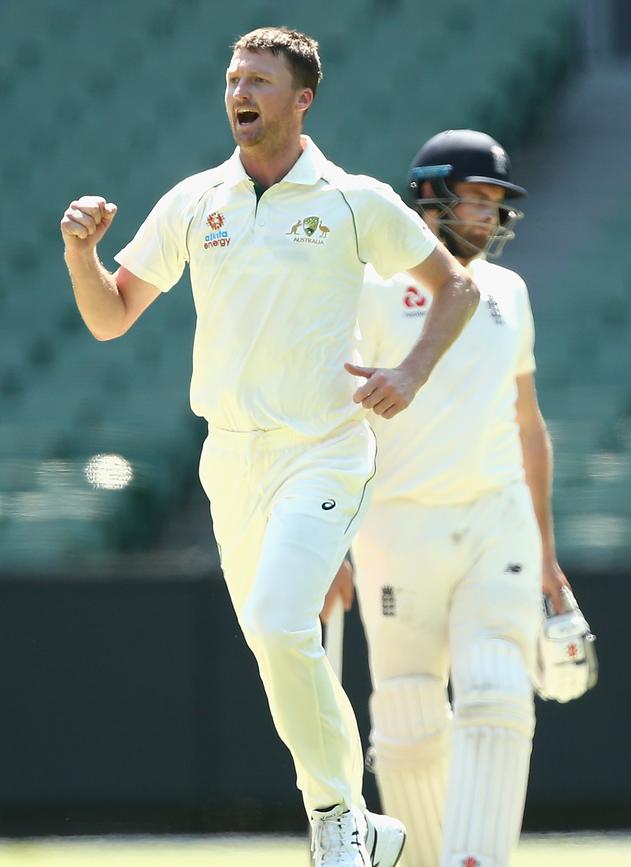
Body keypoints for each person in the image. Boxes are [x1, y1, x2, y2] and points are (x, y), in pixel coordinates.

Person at [59, 29, 478, 867]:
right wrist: (82, 251)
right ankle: (367, 825)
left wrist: (411, 370)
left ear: (301, 99)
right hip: (232, 462)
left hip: (323, 450)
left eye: (258, 79)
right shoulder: (194, 201)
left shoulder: (352, 199)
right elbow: (109, 315)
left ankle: (334, 821)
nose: (239, 90)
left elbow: (454, 286)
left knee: (284, 623)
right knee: (274, 640)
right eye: (232, 78)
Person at [326, 129, 570, 867]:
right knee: (405, 716)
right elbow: (332, 411)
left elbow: (528, 421)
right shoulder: (367, 283)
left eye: (498, 202)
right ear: (430, 196)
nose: (491, 215)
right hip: (396, 528)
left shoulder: (508, 291)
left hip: (497, 524)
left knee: (497, 685)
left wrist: (548, 556)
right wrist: (329, 538)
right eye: (479, 197)